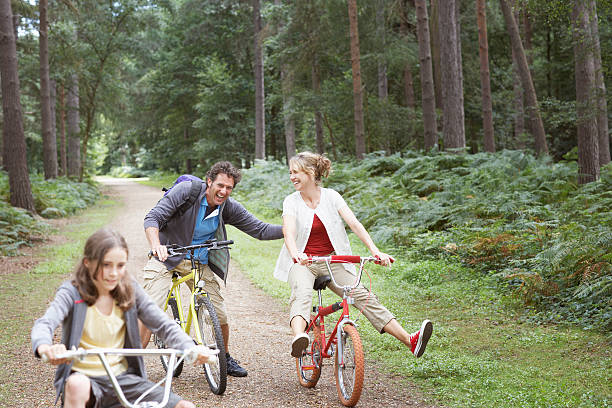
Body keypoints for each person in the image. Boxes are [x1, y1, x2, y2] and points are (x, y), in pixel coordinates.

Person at [274, 151, 433, 358]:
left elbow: (354, 224)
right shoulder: (291, 201)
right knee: (302, 294)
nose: (292, 177)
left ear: (311, 172)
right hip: (303, 262)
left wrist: (375, 251)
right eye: (290, 173)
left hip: (332, 260)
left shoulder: (331, 196)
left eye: (296, 172)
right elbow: (289, 231)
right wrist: (297, 255)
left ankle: (410, 341)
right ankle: (299, 338)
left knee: (363, 296)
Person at [32, 228, 212, 408]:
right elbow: (46, 322)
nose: (113, 273)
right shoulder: (72, 292)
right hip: (85, 381)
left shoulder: (129, 290)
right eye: (106, 265)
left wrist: (189, 347)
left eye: (120, 266)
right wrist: (45, 346)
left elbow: (163, 324)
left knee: (185, 406)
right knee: (76, 385)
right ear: (88, 262)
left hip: (123, 380)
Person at [140, 161, 283, 377]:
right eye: (220, 185)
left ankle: (224, 356)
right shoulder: (186, 192)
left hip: (198, 261)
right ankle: (133, 366)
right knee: (151, 310)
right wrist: (156, 246)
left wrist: (290, 228)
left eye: (229, 188)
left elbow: (260, 230)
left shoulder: (228, 206)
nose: (224, 191)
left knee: (220, 315)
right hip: (167, 256)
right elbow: (153, 218)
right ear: (209, 182)